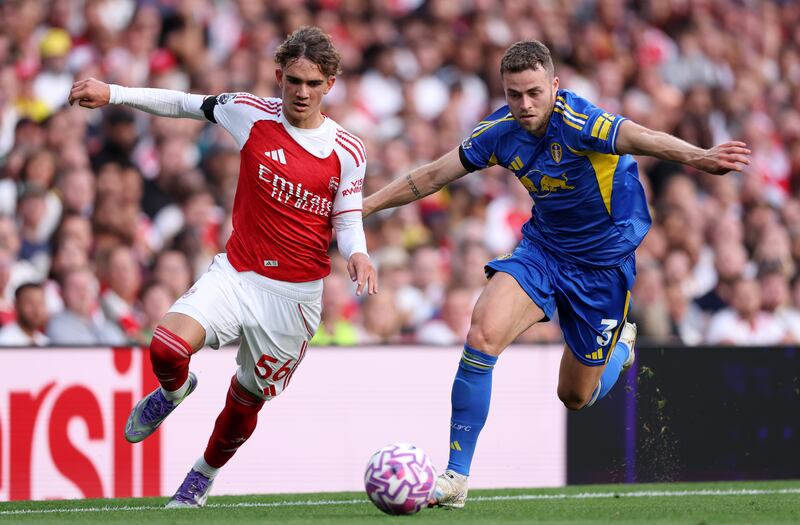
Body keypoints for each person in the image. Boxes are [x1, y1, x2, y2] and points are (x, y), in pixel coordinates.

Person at [363, 40, 750, 508]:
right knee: (482, 332)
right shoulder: (499, 132)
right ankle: (456, 477)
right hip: (543, 251)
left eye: (534, 93)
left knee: (575, 396)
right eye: (514, 94)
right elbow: (431, 176)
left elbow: (641, 136)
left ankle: (620, 349)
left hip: (602, 269)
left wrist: (700, 156)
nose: (524, 104)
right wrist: (364, 207)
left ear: (555, 86)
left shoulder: (580, 121)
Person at [69, 26, 377, 508]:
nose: (302, 92)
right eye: (294, 80)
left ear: (330, 85)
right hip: (237, 273)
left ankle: (202, 475)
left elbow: (347, 216)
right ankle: (172, 393)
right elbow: (183, 103)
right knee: (166, 347)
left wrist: (357, 252)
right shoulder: (249, 112)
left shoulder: (348, 150)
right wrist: (115, 93)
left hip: (295, 298)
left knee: (246, 400)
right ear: (279, 75)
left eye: (313, 84)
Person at [0, 282, 49, 346]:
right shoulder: (5, 340)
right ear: (16, 305)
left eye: (40, 303)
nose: (37, 310)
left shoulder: (45, 342)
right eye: (30, 303)